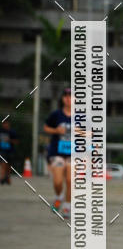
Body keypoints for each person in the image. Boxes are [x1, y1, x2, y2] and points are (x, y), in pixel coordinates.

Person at [44, 88, 72, 216]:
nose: (68, 98)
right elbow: (46, 127)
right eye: (66, 95)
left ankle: (67, 206)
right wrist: (56, 131)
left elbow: (91, 132)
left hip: (74, 153)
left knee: (70, 180)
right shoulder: (56, 114)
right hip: (57, 152)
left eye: (71, 96)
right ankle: (59, 196)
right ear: (62, 99)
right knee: (58, 181)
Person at [0, 118, 18, 184]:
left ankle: (7, 177)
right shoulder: (1, 131)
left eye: (6, 123)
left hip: (10, 150)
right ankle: (2, 177)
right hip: (2, 150)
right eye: (4, 124)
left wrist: (9, 140)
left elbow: (16, 141)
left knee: (8, 165)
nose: (5, 125)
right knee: (3, 163)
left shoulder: (12, 132)